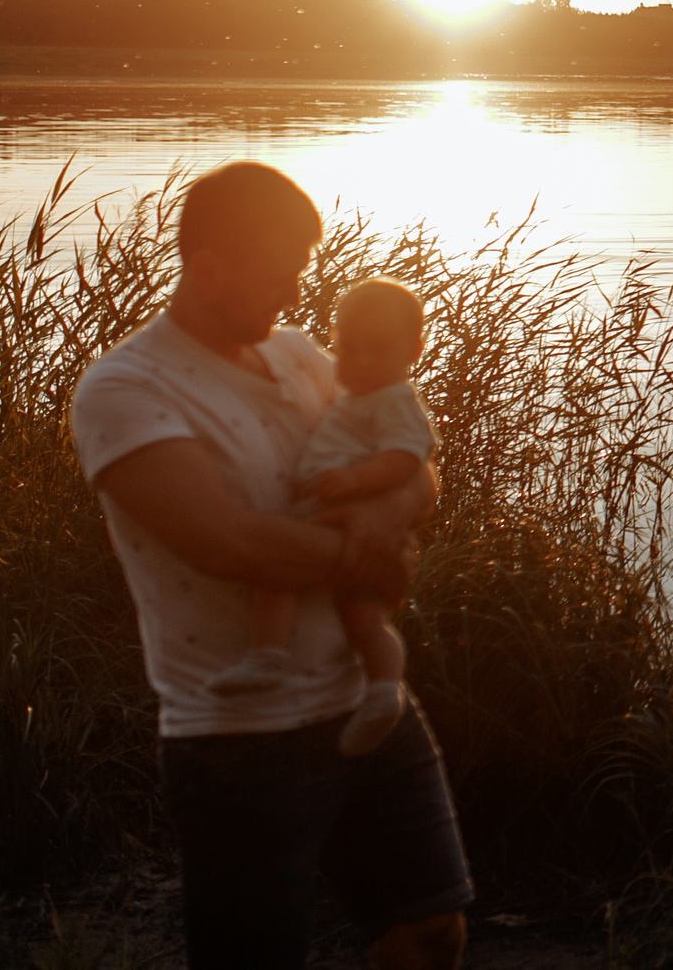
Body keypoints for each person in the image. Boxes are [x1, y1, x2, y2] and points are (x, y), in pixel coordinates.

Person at [69, 162, 470, 970]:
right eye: (280, 268)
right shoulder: (125, 389)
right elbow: (227, 542)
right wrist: (367, 556)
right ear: (208, 263)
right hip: (239, 742)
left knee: (429, 932)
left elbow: (413, 463)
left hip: (365, 703)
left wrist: (389, 523)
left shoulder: (300, 359)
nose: (296, 290)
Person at [207, 277, 438, 761]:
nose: (362, 363)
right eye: (350, 350)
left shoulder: (393, 399)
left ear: (414, 351)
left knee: (297, 585)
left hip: (336, 515)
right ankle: (357, 683)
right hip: (329, 516)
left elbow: (407, 460)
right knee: (359, 616)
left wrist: (366, 497)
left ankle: (370, 687)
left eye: (378, 350)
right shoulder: (352, 392)